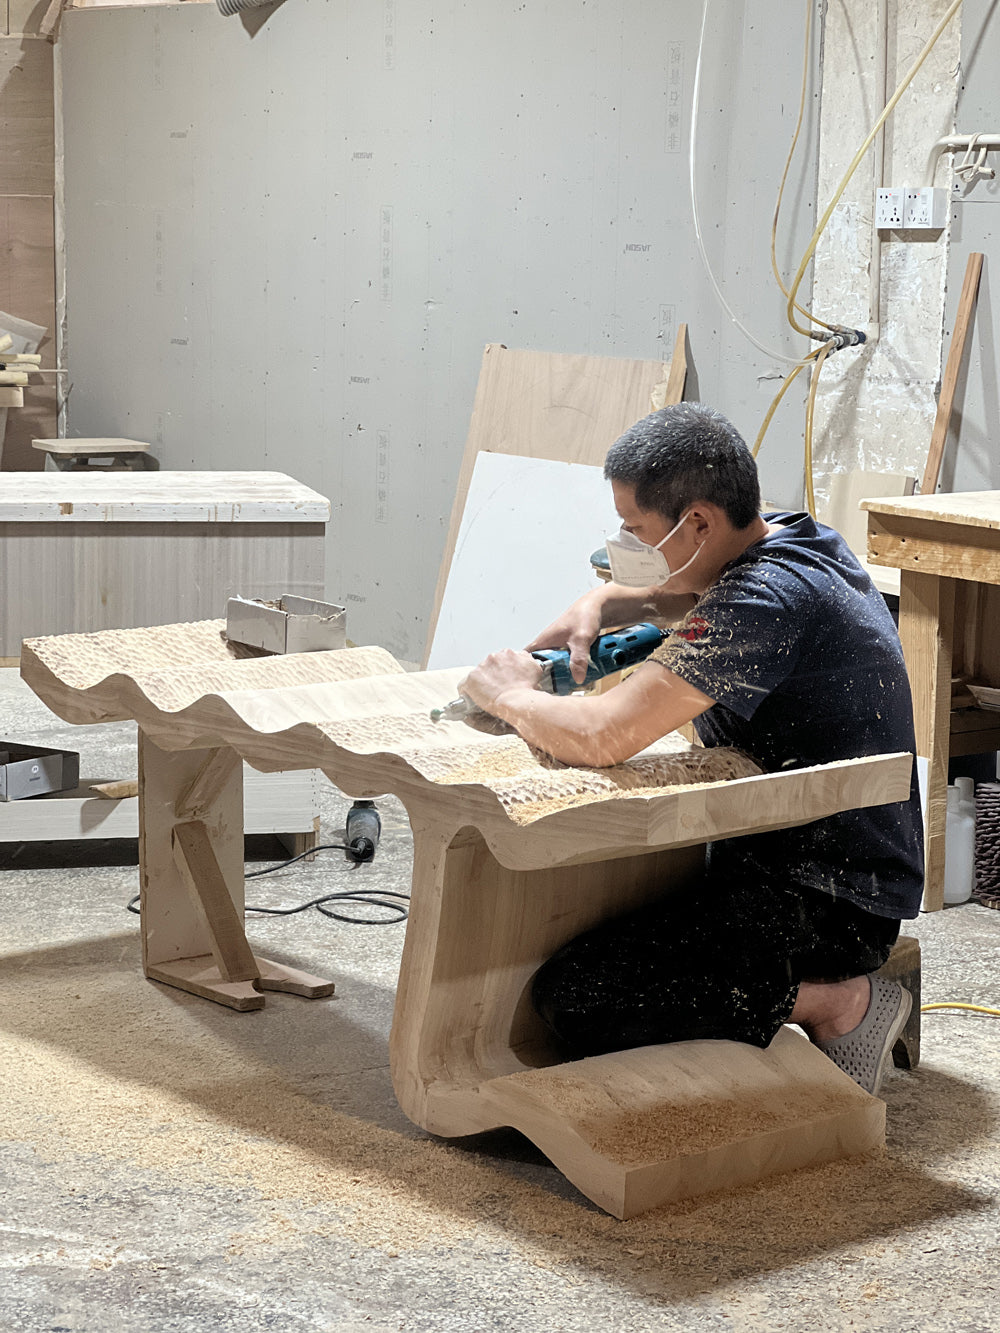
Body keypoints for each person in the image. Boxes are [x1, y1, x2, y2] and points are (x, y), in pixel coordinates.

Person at [458, 401, 923, 1097]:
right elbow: (685, 590)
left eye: (635, 529)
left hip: (830, 898)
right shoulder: (792, 536)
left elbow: (604, 734)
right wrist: (609, 603)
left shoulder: (766, 598)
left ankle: (840, 1000)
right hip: (778, 849)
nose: (623, 541)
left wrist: (509, 695)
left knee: (581, 994)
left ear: (698, 521)